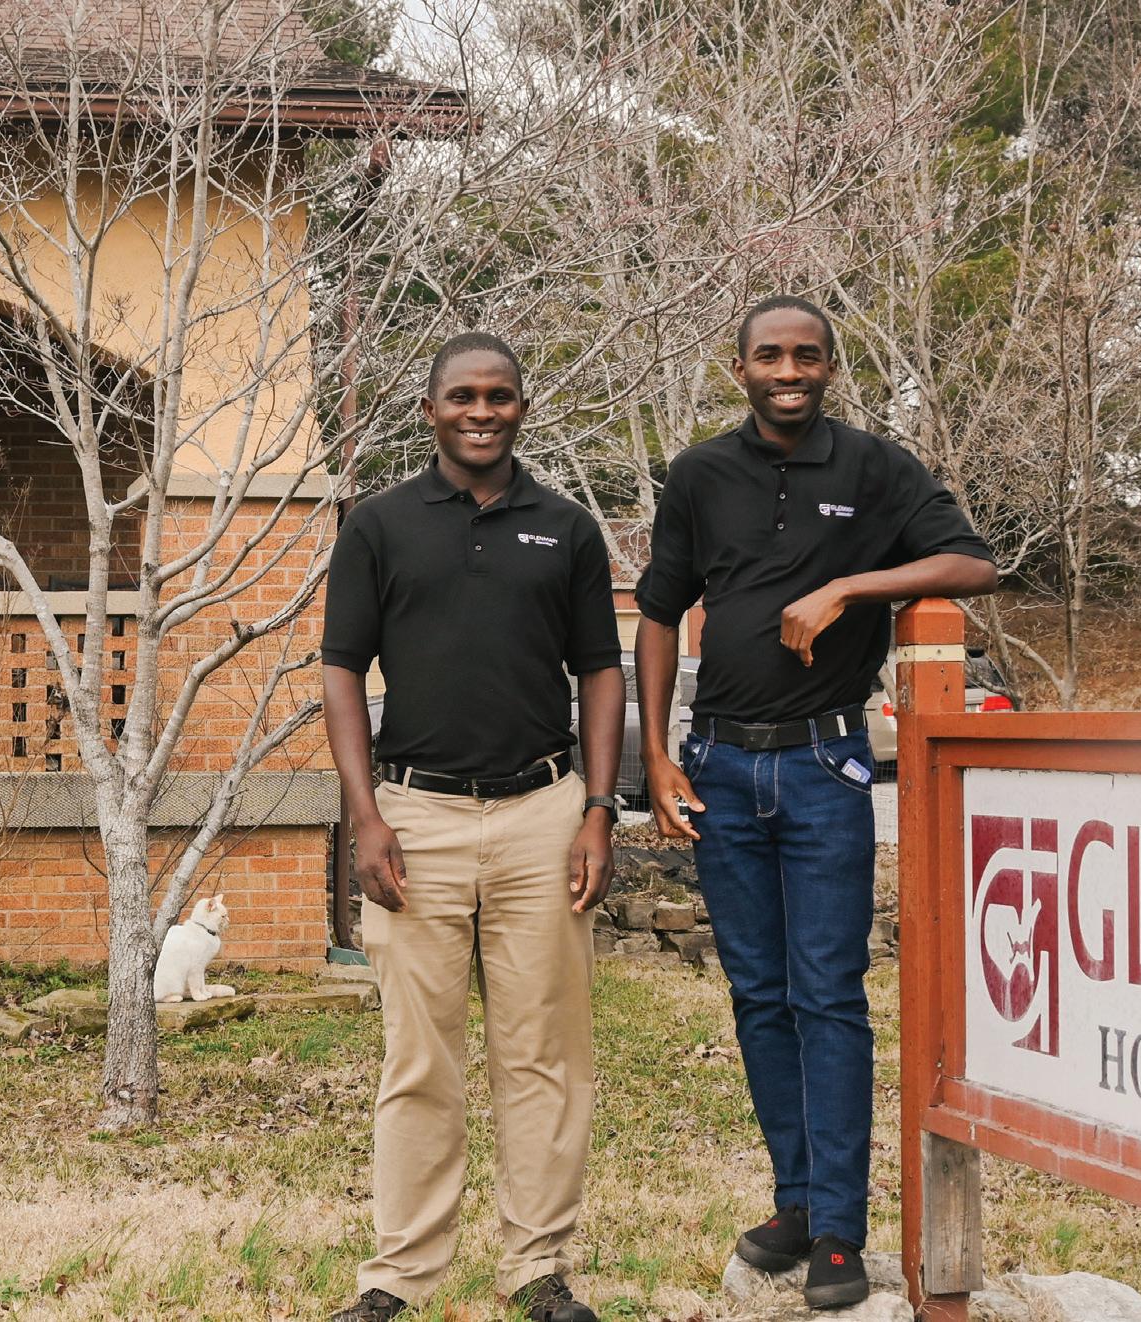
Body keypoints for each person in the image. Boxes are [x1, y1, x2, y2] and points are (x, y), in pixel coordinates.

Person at [633, 295, 998, 1310]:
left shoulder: (872, 468)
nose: (786, 370)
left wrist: (851, 587)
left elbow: (974, 562)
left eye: (805, 355)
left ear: (829, 367)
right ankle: (792, 1202)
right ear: (739, 368)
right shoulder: (699, 474)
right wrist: (656, 757)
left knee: (827, 996)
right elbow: (658, 612)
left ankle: (838, 1228)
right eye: (768, 355)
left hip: (824, 768)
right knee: (757, 994)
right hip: (717, 766)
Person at [321, 331, 626, 1322]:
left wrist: (596, 809)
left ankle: (536, 1267)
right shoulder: (378, 525)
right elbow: (339, 671)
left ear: (521, 407)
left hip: (543, 814)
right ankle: (397, 1276)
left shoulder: (567, 528)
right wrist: (365, 815)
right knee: (419, 1059)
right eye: (463, 396)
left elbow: (601, 670)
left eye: (499, 396)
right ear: (430, 409)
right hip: (416, 818)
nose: (481, 412)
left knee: (543, 1055)